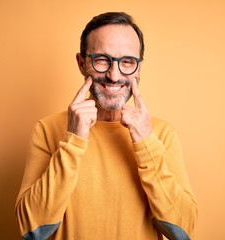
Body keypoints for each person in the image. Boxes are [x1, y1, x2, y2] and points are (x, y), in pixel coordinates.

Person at [15, 12, 198, 240]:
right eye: (102, 60)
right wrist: (73, 140)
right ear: (82, 63)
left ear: (139, 69)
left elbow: (183, 230)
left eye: (128, 62)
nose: (114, 75)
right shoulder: (47, 129)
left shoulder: (161, 134)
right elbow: (32, 229)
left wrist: (146, 144)